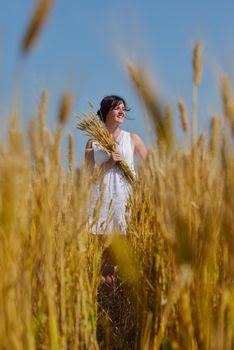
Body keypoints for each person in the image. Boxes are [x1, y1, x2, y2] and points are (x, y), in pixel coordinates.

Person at [85, 95, 147, 235]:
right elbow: (88, 178)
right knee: (100, 249)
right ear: (106, 111)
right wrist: (109, 163)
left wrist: (141, 185)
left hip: (125, 199)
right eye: (117, 108)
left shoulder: (132, 138)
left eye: (124, 109)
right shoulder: (92, 143)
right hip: (101, 201)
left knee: (127, 245)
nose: (122, 112)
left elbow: (152, 166)